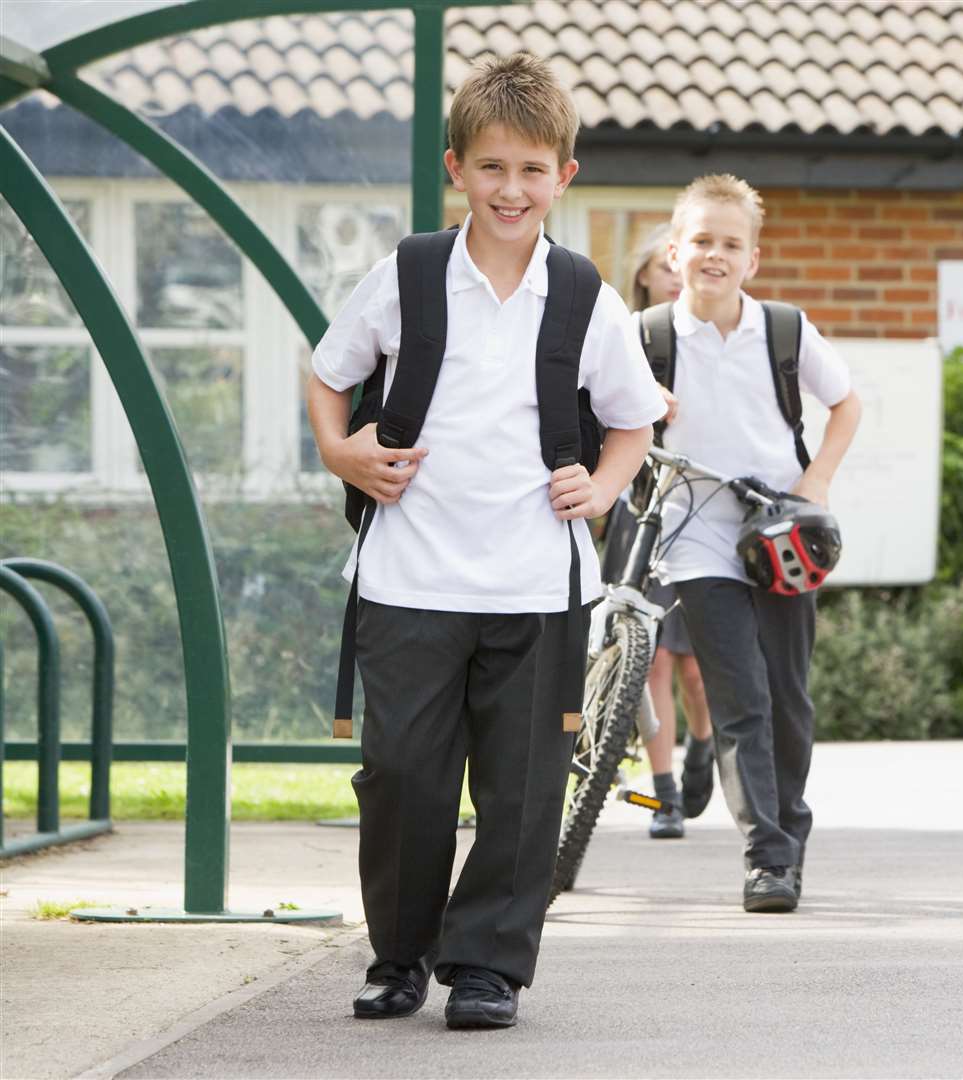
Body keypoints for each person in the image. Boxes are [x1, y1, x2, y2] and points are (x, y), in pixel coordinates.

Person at [306, 54, 665, 1026]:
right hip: (407, 576)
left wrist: (604, 485)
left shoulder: (588, 296)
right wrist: (342, 454)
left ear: (564, 177)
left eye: (533, 170)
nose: (513, 189)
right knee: (402, 778)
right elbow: (329, 372)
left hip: (539, 586)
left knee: (521, 790)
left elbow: (636, 417)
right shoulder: (409, 275)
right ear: (458, 168)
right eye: (494, 167)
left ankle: (488, 966)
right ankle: (400, 955)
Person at [653, 174, 862, 913]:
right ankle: (765, 855)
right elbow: (598, 411)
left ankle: (791, 832)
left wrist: (818, 483)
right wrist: (643, 404)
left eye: (730, 244)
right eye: (702, 240)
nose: (715, 254)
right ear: (675, 251)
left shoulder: (784, 329)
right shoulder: (645, 335)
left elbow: (845, 403)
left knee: (788, 697)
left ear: (753, 259)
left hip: (779, 530)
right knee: (739, 693)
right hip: (695, 535)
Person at [615, 224, 718, 840]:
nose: (676, 276)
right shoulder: (626, 338)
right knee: (650, 659)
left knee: (695, 669)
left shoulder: (711, 337)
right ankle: (663, 794)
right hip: (640, 510)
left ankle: (703, 742)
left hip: (697, 507)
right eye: (664, 265)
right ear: (647, 275)